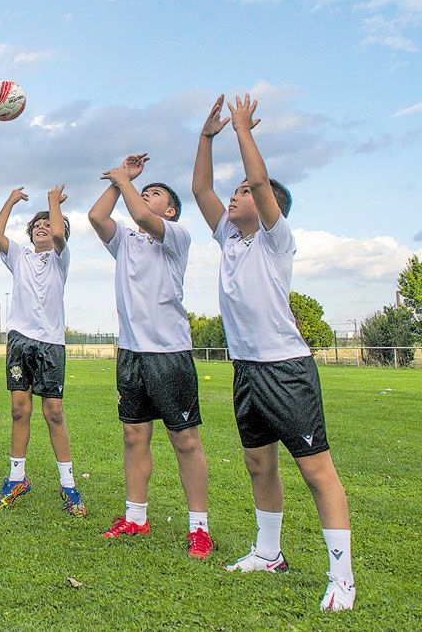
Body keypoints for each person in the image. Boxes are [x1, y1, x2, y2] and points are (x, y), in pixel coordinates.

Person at [193, 94, 354, 611]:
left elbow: (261, 184)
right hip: (246, 370)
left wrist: (243, 130)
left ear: (269, 209)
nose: (235, 196)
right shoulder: (229, 239)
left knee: (315, 470)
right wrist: (206, 136)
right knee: (258, 464)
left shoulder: (274, 238)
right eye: (236, 192)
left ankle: (342, 578)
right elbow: (199, 189)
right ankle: (269, 554)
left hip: (286, 369)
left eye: (243, 192)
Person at [88, 153, 212, 557]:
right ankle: (136, 517)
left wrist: (126, 180)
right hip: (132, 353)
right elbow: (95, 217)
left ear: (171, 209)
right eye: (143, 192)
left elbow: (141, 216)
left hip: (169, 352)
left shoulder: (177, 235)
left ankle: (199, 528)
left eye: (153, 193)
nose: (144, 196)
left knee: (185, 441)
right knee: (133, 435)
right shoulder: (125, 239)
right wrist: (118, 182)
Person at [0, 184, 86, 517]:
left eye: (48, 224)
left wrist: (51, 204)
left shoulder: (60, 258)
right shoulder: (20, 256)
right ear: (30, 234)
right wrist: (11, 200)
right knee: (19, 408)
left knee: (54, 412)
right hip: (20, 339)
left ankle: (68, 484)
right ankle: (17, 478)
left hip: (50, 342)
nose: (43, 227)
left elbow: (59, 233)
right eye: (37, 225)